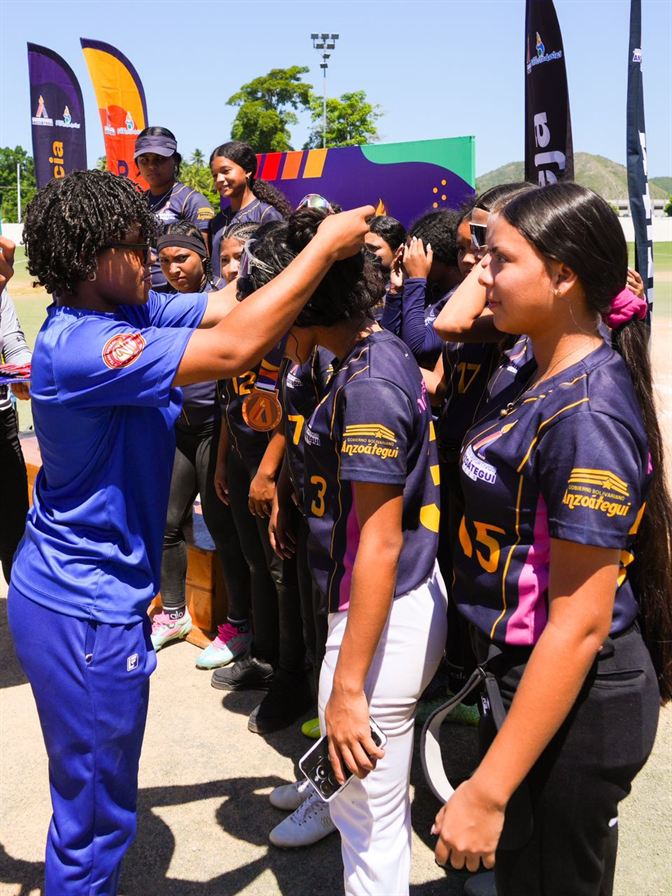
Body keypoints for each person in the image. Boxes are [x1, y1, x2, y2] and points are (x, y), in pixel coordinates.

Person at [6, 169, 372, 896]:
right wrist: (326, 248)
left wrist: (289, 242)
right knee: (94, 826)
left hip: (86, 597)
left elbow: (228, 305)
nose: (149, 257)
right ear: (88, 259)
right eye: (133, 244)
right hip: (82, 608)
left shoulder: (128, 308)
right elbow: (235, 347)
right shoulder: (85, 346)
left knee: (98, 799)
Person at [432, 182, 671, 896]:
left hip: (574, 699)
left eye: (500, 260)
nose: (482, 275)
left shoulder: (586, 416)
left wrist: (487, 791)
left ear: (563, 275)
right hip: (524, 677)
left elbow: (579, 624)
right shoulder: (536, 368)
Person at [243, 208, 448, 895]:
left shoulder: (367, 386)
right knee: (366, 805)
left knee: (370, 830)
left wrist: (349, 688)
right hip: (385, 604)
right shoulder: (366, 349)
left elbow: (380, 543)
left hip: (380, 619)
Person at [149, 222, 251, 664]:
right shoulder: (161, 305)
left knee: (222, 529)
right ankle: (174, 614)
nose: (173, 268)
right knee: (167, 523)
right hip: (179, 432)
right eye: (165, 261)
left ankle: (240, 625)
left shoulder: (220, 303)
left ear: (201, 257)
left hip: (215, 432)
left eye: (182, 258)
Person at [134, 126, 214, 290]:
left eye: (159, 159)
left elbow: (205, 255)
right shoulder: (137, 203)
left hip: (181, 295)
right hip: (145, 293)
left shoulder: (192, 201)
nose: (151, 166)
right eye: (144, 160)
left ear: (175, 160)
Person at [381, 209, 462, 369]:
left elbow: (418, 347)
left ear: (436, 256)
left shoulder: (458, 297)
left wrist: (417, 279)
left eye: (415, 254)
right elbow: (387, 341)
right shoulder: (427, 289)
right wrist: (396, 290)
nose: (407, 260)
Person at [208, 141, 292, 279]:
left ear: (247, 171)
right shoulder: (217, 222)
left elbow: (278, 269)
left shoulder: (267, 215)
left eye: (225, 171)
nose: (219, 180)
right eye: (215, 175)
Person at [0, 286, 32, 582]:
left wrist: (23, 369)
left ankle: (19, 597)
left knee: (14, 522)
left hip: (2, 420)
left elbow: (11, 338)